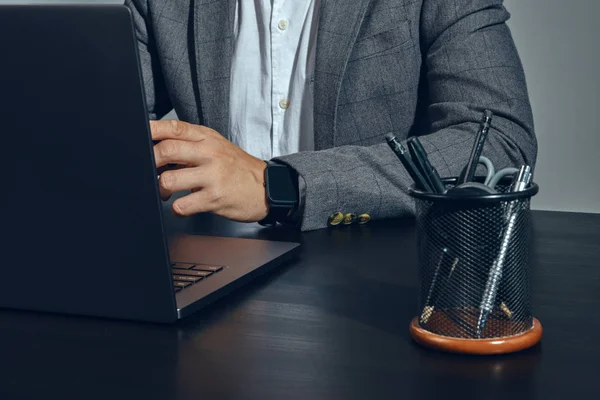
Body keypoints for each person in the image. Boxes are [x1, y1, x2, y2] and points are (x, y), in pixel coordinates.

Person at [125, 0, 537, 231]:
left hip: (378, 295)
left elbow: (499, 139)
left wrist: (279, 185)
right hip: (213, 281)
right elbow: (100, 119)